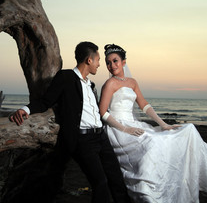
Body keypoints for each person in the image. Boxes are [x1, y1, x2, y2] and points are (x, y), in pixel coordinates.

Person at [99, 43, 207, 203]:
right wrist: (125, 129)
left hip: (133, 124)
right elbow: (103, 112)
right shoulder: (109, 84)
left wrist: (163, 124)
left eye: (115, 61)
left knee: (186, 130)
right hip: (118, 127)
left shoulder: (132, 82)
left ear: (124, 62)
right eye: (108, 62)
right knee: (152, 143)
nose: (111, 65)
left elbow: (144, 105)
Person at [10, 41, 131, 203]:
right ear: (89, 60)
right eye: (98, 60)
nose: (100, 64)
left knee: (116, 179)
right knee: (100, 182)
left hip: (101, 137)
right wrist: (26, 109)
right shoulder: (65, 77)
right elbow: (46, 101)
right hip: (83, 141)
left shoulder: (90, 84)